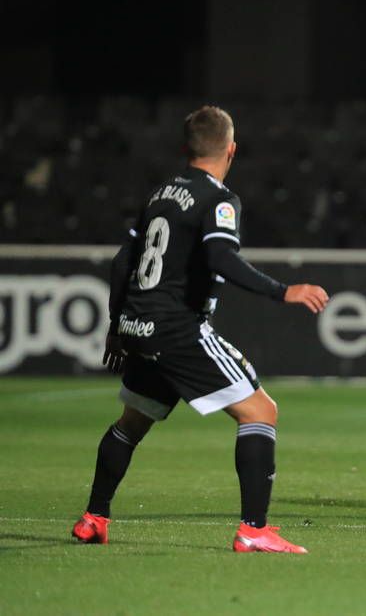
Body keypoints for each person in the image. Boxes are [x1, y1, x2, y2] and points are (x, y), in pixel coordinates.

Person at [71, 105, 329, 553]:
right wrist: (282, 290)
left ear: (184, 149)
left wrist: (116, 326)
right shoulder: (219, 198)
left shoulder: (160, 195)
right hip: (176, 328)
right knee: (260, 412)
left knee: (131, 424)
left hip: (138, 324)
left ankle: (95, 516)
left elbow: (121, 262)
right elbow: (221, 259)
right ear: (231, 150)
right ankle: (254, 529)